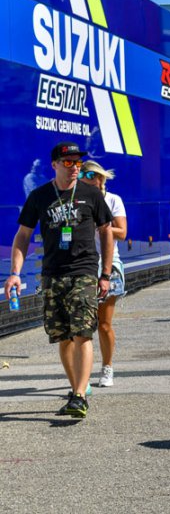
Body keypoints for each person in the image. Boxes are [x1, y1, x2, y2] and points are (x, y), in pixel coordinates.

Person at [4, 141, 113, 419]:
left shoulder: (91, 194)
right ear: (54, 165)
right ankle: (76, 386)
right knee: (63, 337)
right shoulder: (40, 196)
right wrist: (14, 274)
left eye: (78, 162)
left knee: (82, 332)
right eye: (68, 162)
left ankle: (78, 395)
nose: (75, 167)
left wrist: (106, 273)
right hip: (53, 274)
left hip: (84, 272)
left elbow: (106, 232)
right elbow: (23, 236)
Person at [80, 161, 127, 388]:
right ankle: (82, 378)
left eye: (89, 174)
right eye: (82, 174)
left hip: (108, 265)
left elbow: (122, 232)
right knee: (81, 325)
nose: (85, 178)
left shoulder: (113, 200)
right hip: (81, 265)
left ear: (99, 178)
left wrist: (100, 227)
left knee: (104, 324)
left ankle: (107, 367)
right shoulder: (77, 201)